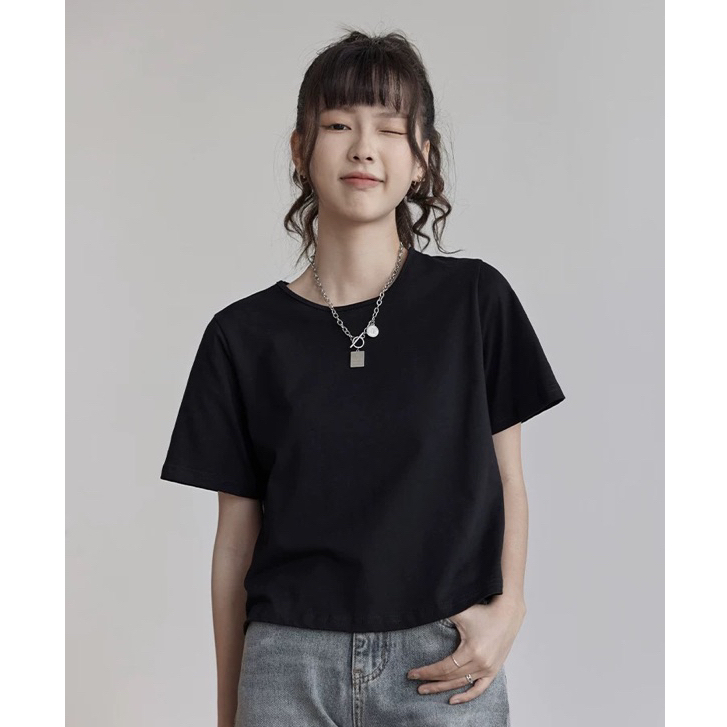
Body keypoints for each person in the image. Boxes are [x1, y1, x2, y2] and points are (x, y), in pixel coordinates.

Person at [160, 28, 565, 727]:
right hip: (287, 670)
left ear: (421, 157)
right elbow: (234, 542)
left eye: (390, 127)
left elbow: (509, 479)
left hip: (444, 664)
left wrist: (510, 610)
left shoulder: (475, 302)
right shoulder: (242, 336)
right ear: (300, 150)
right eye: (338, 124)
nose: (363, 148)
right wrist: (229, 709)